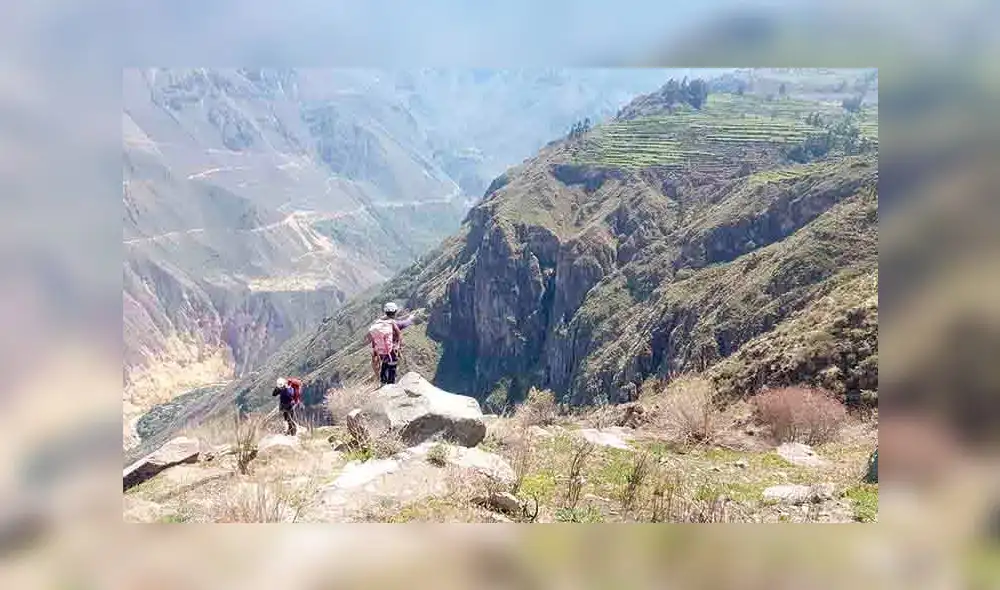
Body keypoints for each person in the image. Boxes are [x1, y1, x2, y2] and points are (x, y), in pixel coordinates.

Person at [366, 302, 421, 386]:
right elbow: (405, 323)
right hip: (391, 351)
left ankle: (383, 383)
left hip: (380, 351)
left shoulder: (378, 324)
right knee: (392, 366)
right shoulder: (395, 324)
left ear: (385, 312)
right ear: (395, 312)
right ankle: (390, 385)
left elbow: (372, 338)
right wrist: (411, 317)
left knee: (384, 364)